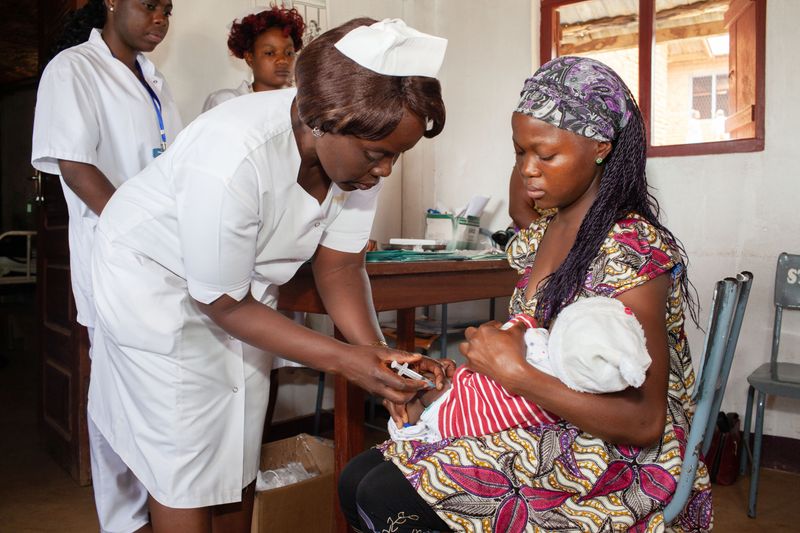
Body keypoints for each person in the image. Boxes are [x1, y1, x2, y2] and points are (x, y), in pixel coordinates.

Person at [89, 17, 449, 532]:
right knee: (183, 457)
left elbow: (341, 266)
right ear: (325, 119)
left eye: (397, 155)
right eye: (379, 155)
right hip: (153, 284)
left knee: (237, 436)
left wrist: (381, 359)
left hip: (237, 293)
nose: (386, 170)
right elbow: (223, 304)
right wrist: (348, 361)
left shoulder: (357, 153)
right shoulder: (234, 151)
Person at [339, 56, 712, 533]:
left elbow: (643, 423)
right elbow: (540, 351)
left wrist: (512, 373)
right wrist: (449, 384)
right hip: (554, 417)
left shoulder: (631, 249)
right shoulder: (547, 232)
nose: (528, 170)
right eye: (519, 153)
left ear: (601, 146)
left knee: (384, 493)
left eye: (546, 154)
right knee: (358, 477)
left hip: (617, 456)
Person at [31, 1, 182, 532]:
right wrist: (140, 229)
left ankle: (162, 506)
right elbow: (74, 163)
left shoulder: (154, 80)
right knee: (114, 398)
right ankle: (123, 522)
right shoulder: (73, 68)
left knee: (152, 396)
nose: (160, 17)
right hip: (116, 259)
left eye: (168, 9)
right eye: (150, 5)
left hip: (164, 261)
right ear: (113, 1)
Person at [388, 297, 651, 443]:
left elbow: (512, 330)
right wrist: (462, 374)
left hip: (465, 424)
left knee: (372, 484)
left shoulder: (447, 421)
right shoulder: (557, 384)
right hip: (469, 405)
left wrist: (489, 344)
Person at [202, 6, 305, 111]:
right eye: (270, 53)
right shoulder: (226, 102)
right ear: (249, 57)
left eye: (289, 53)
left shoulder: (304, 106)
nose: (283, 60)